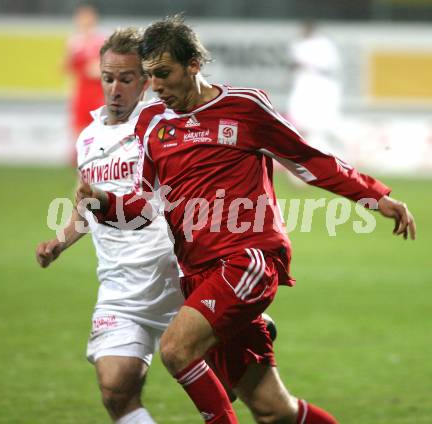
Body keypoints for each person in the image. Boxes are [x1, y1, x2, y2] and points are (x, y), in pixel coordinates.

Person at [76, 16, 416, 424]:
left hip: (248, 260)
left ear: (193, 65)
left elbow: (309, 159)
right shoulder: (152, 124)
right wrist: (102, 202)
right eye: (151, 76)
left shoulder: (244, 106)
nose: (158, 86)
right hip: (197, 276)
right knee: (274, 411)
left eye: (164, 74)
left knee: (176, 350)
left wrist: (374, 196)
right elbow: (145, 204)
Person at [37, 28, 184, 424]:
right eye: (108, 77)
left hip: (177, 280)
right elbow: (84, 202)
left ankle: (246, 327)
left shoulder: (162, 126)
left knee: (253, 393)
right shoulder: (88, 138)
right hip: (120, 287)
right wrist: (60, 241)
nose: (115, 88)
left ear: (146, 80)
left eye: (126, 78)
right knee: (116, 391)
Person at [287, 21, 343, 157]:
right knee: (301, 123)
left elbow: (330, 67)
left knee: (322, 126)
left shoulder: (324, 44)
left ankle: (333, 153)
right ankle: (306, 156)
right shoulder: (298, 44)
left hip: (320, 87)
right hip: (304, 86)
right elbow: (294, 65)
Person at [64, 2, 106, 164]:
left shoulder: (102, 40)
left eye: (87, 16)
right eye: (81, 17)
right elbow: (70, 71)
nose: (84, 20)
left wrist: (98, 69)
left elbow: (105, 68)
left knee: (98, 140)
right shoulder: (74, 43)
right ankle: (82, 182)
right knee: (79, 143)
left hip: (98, 96)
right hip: (81, 96)